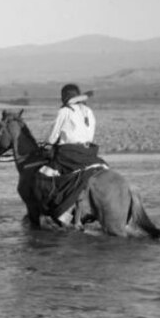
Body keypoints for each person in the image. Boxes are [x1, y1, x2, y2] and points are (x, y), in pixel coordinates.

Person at [41, 83, 107, 225]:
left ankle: (61, 213)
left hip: (69, 154)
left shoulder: (64, 111)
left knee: (44, 175)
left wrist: (48, 144)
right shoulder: (88, 110)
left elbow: (53, 136)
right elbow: (91, 133)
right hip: (89, 152)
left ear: (64, 97)